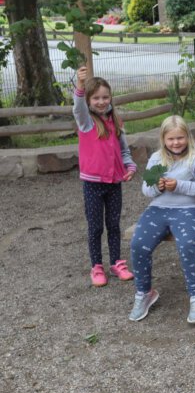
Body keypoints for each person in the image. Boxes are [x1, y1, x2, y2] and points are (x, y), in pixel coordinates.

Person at [129, 115, 195, 324]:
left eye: (180, 138)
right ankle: (144, 293)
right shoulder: (157, 158)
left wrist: (178, 185)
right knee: (138, 244)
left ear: (188, 137)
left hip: (191, 209)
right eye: (171, 139)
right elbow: (146, 189)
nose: (176, 143)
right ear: (163, 139)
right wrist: (158, 186)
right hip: (159, 207)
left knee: (188, 244)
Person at [73, 66, 137, 287]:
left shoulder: (115, 122)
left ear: (111, 98)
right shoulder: (86, 122)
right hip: (93, 184)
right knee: (95, 226)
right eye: (96, 98)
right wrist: (80, 86)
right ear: (89, 100)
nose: (101, 101)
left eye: (105, 97)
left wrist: (129, 167)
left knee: (113, 224)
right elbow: (78, 108)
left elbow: (124, 151)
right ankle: (97, 266)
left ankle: (117, 262)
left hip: (114, 183)